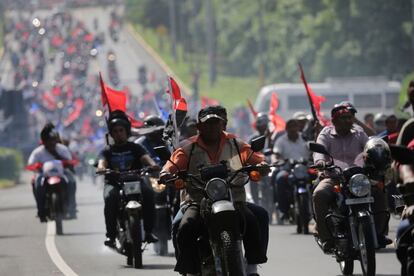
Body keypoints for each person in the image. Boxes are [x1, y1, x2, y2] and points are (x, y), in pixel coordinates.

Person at [160, 105, 268, 276]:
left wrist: (262, 165)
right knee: (183, 226)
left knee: (257, 217)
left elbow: (254, 158)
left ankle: (252, 266)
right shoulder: (188, 147)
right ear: (199, 127)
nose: (212, 127)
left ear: (223, 125)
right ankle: (190, 269)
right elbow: (171, 165)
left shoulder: (236, 144)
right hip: (197, 201)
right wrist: (166, 174)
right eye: (208, 123)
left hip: (233, 199)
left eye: (216, 123)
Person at [312, 103, 391, 253]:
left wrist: (375, 156)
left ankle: (380, 233)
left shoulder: (359, 133)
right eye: (343, 118)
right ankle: (326, 238)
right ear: (334, 121)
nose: (348, 121)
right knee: (319, 194)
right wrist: (320, 161)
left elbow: (369, 146)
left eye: (349, 117)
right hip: (334, 177)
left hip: (359, 178)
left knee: (379, 191)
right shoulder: (326, 133)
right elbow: (319, 150)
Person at [97, 110, 159, 247]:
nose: (119, 134)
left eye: (121, 130)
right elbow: (102, 162)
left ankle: (149, 232)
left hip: (136, 181)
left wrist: (153, 165)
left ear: (127, 131)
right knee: (110, 197)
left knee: (149, 193)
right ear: (111, 134)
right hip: (115, 183)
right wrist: (102, 168)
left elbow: (147, 159)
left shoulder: (136, 147)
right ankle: (111, 236)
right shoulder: (107, 151)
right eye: (115, 131)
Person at [27, 123, 77, 222]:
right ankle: (41, 211)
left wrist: (67, 163)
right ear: (44, 141)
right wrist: (36, 167)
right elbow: (31, 163)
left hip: (62, 173)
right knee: (37, 184)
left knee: (71, 181)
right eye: (48, 141)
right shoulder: (38, 152)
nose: (51, 143)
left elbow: (69, 160)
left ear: (56, 140)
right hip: (43, 174)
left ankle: (72, 209)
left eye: (53, 140)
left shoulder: (62, 149)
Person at [273, 119, 310, 222]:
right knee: (280, 178)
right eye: (291, 127)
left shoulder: (304, 138)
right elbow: (276, 154)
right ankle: (283, 210)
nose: (293, 129)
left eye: (295, 126)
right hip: (288, 170)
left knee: (317, 180)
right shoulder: (281, 140)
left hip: (304, 170)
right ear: (286, 129)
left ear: (298, 128)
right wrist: (280, 160)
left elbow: (312, 150)